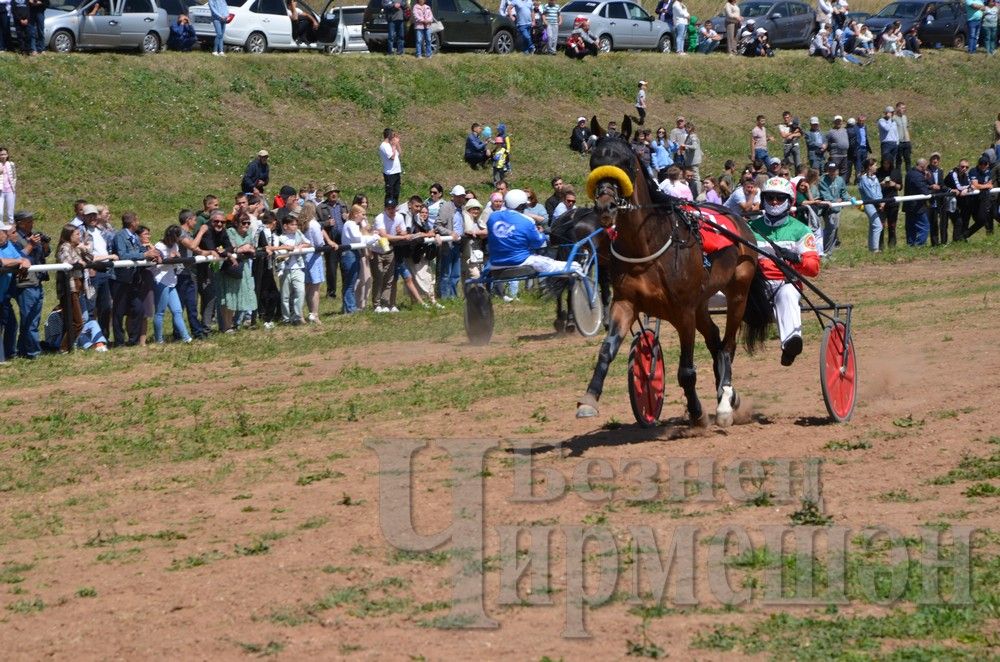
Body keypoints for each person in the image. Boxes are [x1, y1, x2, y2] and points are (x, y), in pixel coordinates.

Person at [748, 177, 820, 367]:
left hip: (785, 283)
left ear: (790, 201)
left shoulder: (801, 230)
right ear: (763, 199)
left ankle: (790, 344)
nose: (774, 202)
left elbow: (813, 269)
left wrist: (797, 258)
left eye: (780, 198)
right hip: (755, 286)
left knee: (788, 294)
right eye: (770, 197)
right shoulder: (750, 228)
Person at [487, 189, 582, 277]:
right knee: (574, 265)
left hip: (494, 263)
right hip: (520, 261)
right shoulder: (527, 220)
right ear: (522, 205)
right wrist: (541, 234)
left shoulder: (492, 217)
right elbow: (537, 243)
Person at [150, 225, 193, 344]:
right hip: (161, 281)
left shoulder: (175, 245)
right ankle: (159, 339)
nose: (177, 240)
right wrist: (170, 258)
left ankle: (186, 337)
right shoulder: (159, 247)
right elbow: (156, 266)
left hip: (172, 281)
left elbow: (174, 264)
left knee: (177, 311)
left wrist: (177, 260)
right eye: (176, 237)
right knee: (160, 312)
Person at [53, 225, 91, 353]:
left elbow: (90, 259)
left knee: (71, 320)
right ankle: (64, 348)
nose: (79, 236)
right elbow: (66, 262)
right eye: (77, 234)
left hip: (78, 287)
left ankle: (68, 347)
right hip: (69, 287)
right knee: (78, 322)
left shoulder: (77, 248)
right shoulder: (65, 247)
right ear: (69, 235)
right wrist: (78, 261)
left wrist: (84, 250)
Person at [300, 201, 336, 323]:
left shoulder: (301, 223)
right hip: (314, 258)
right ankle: (314, 314)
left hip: (304, 257)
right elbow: (319, 242)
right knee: (314, 288)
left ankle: (303, 314)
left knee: (306, 287)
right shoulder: (313, 224)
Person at [0, 221, 31, 362]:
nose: (6, 234)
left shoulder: (8, 245)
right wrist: (19, 262)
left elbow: (22, 258)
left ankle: (9, 354)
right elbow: (3, 261)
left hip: (3, 296)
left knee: (12, 325)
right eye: (4, 232)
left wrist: (24, 261)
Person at [434, 185, 465, 299]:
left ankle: (453, 297)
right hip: (448, 244)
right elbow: (437, 225)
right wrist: (450, 233)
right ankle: (445, 297)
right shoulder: (446, 207)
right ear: (454, 197)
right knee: (446, 273)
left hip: (457, 244)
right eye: (459, 196)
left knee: (456, 274)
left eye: (462, 196)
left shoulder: (462, 208)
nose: (462, 199)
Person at [817, 162, 849, 256]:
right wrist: (836, 200)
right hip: (827, 209)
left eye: (834, 170)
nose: (832, 172)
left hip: (837, 209)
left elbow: (843, 192)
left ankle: (830, 251)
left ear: (837, 171)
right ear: (827, 170)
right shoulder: (823, 180)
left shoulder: (840, 180)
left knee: (835, 229)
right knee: (830, 229)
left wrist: (850, 199)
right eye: (830, 170)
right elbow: (825, 194)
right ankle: (825, 251)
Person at [903, 158, 931, 246]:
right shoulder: (918, 176)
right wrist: (928, 182)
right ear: (922, 167)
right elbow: (925, 191)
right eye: (926, 167)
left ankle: (910, 245)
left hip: (909, 206)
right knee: (925, 226)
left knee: (911, 227)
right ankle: (919, 245)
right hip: (917, 207)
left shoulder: (910, 173)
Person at [876, 157, 902, 249]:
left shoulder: (896, 172)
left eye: (888, 163)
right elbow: (874, 186)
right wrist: (881, 184)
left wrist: (894, 184)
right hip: (881, 201)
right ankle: (880, 246)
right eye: (884, 163)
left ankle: (892, 245)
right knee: (881, 225)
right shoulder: (878, 171)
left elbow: (900, 187)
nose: (886, 165)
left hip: (893, 201)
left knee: (892, 225)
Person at [965, 156, 995, 238]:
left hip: (983, 198)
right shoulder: (973, 171)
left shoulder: (988, 171)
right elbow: (975, 185)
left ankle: (964, 235)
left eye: (985, 164)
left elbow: (990, 183)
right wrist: (986, 185)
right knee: (967, 220)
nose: (983, 165)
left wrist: (985, 185)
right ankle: (961, 237)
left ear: (988, 164)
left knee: (982, 220)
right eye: (981, 163)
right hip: (971, 199)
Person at [858, 158, 883, 252]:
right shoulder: (864, 179)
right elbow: (870, 194)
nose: (876, 167)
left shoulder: (875, 178)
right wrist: (879, 201)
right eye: (875, 165)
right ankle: (875, 249)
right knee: (878, 226)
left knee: (873, 226)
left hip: (877, 203)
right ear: (869, 167)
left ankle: (871, 249)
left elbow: (878, 190)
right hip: (868, 204)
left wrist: (882, 200)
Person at [945, 159, 973, 243]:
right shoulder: (953, 174)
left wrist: (968, 189)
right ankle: (956, 241)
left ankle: (961, 239)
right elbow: (959, 187)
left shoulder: (966, 174)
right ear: (958, 166)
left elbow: (971, 185)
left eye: (967, 167)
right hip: (948, 200)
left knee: (965, 218)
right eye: (962, 166)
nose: (964, 168)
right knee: (958, 221)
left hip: (960, 200)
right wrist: (968, 188)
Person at [926, 152, 947, 246]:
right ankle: (934, 243)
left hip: (939, 199)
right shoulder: (926, 171)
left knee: (941, 221)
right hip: (930, 199)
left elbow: (942, 184)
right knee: (932, 221)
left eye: (937, 159)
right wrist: (931, 186)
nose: (936, 161)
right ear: (930, 160)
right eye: (934, 159)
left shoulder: (940, 171)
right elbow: (923, 184)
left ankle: (942, 242)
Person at [379, 128, 402, 203]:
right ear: (389, 135)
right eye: (393, 135)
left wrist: (397, 143)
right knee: (390, 193)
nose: (393, 137)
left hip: (396, 171)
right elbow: (392, 157)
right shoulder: (384, 146)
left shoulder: (391, 145)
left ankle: (395, 208)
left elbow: (399, 153)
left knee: (396, 192)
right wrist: (394, 145)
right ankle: (387, 208)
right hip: (390, 173)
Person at [893, 102, 912, 173]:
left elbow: (906, 128)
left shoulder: (905, 117)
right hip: (899, 142)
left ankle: (909, 177)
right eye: (902, 108)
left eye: (905, 108)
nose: (904, 109)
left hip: (906, 142)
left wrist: (909, 141)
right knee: (898, 161)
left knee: (908, 160)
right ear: (897, 108)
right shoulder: (894, 118)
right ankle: (898, 178)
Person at [0, 148, 17, 225]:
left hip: (10, 191)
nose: (3, 156)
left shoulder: (11, 164)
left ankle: (11, 229)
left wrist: (13, 186)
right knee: (0, 212)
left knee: (10, 212)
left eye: (5, 154)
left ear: (7, 155)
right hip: (1, 191)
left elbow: (14, 176)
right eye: (1, 154)